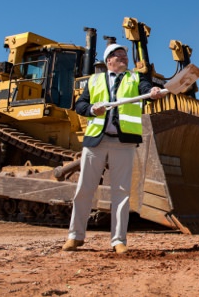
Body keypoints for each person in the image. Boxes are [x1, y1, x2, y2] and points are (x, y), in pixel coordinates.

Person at [62, 43, 164, 253]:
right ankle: (75, 236)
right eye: (120, 56)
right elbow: (80, 105)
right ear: (109, 60)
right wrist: (91, 109)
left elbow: (147, 89)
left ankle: (118, 241)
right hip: (95, 141)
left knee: (122, 192)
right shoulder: (95, 80)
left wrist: (153, 91)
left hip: (123, 141)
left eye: (125, 56)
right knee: (84, 189)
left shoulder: (136, 78)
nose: (125, 59)